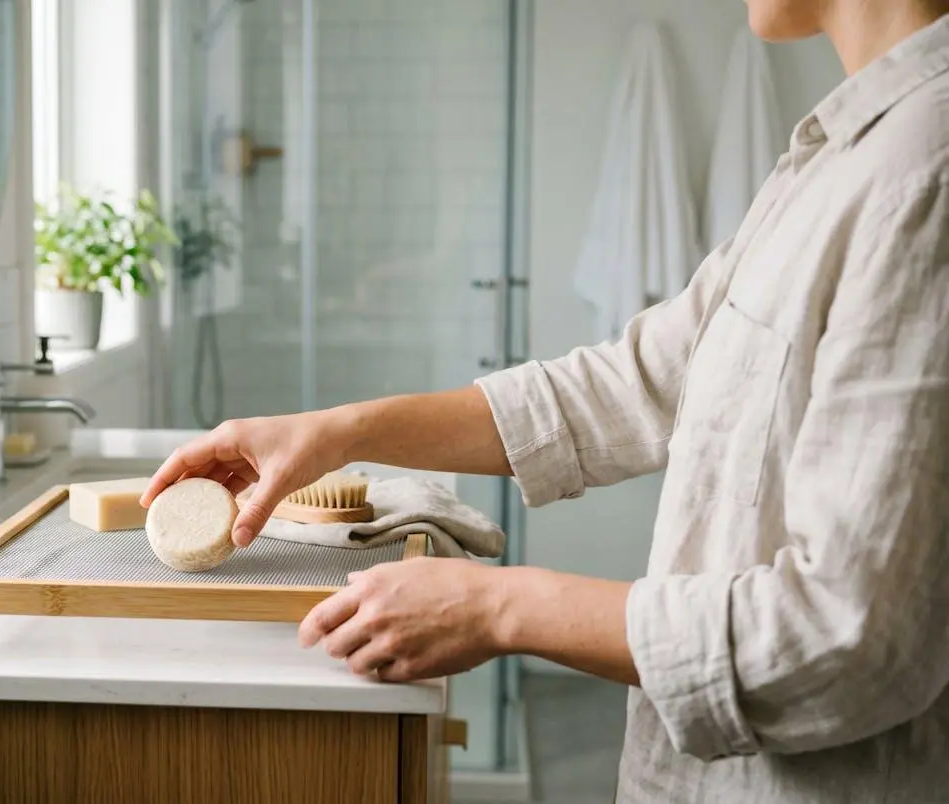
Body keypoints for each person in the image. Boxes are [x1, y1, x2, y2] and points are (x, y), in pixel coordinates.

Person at [139, 2, 949, 801]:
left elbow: (848, 636)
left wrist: (499, 608)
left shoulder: (925, 169)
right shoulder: (838, 157)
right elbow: (634, 383)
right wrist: (333, 432)